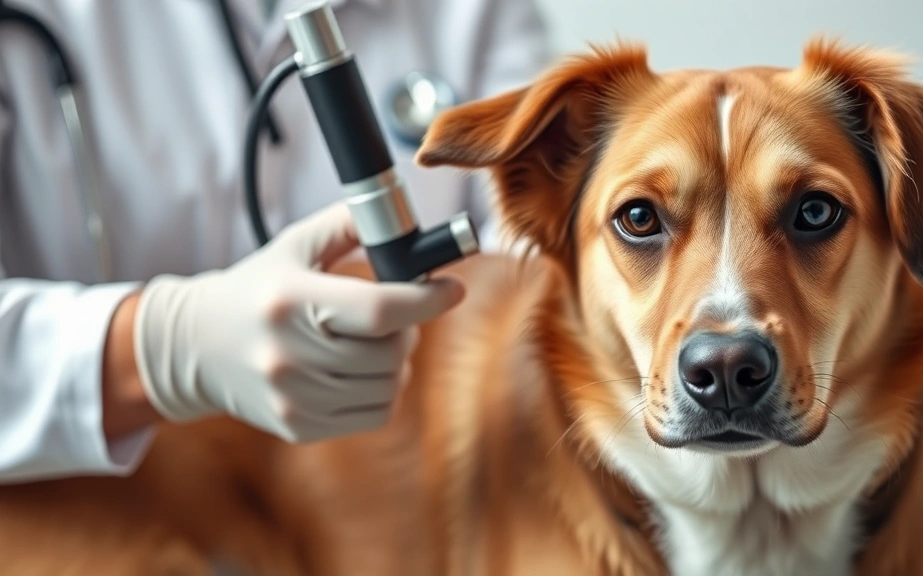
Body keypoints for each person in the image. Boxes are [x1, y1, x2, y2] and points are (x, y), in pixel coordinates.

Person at [0, 0, 552, 483]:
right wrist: (164, 346)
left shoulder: (480, 11)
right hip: (93, 511)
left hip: (394, 506)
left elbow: (544, 259)